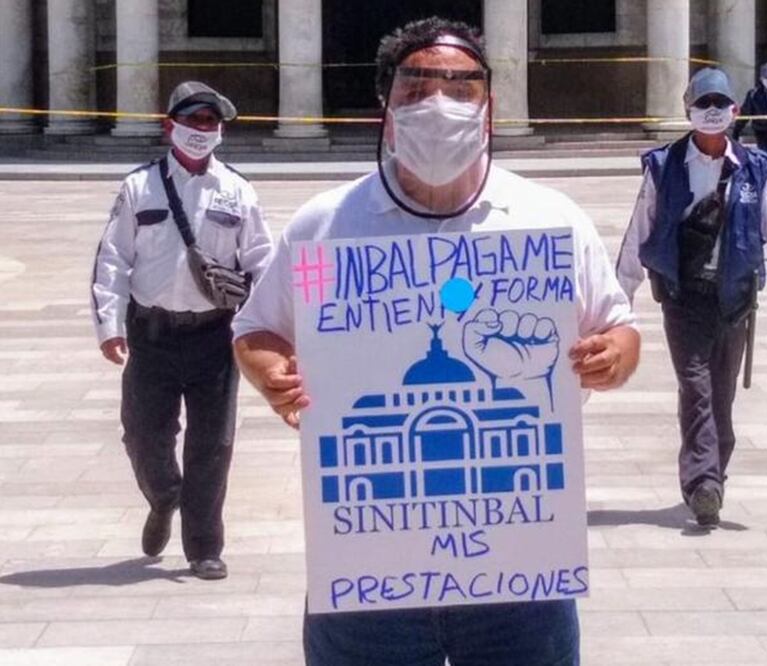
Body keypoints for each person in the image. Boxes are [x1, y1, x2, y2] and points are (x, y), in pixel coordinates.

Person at [233, 17, 640, 666]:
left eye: (460, 87)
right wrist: (270, 371)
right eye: (416, 89)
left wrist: (614, 356)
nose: (439, 103)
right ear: (387, 108)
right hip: (370, 567)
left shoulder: (549, 218)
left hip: (518, 562)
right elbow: (256, 327)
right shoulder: (326, 224)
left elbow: (618, 324)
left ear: (489, 107)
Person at [617, 67, 767, 527]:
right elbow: (639, 232)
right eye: (702, 104)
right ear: (688, 110)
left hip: (734, 299)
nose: (711, 112)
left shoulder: (754, 169)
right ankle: (702, 483)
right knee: (696, 388)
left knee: (721, 396)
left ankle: (712, 478)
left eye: (719, 104)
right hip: (684, 297)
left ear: (735, 110)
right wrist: (619, 297)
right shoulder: (664, 166)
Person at [91, 81, 273, 580]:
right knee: (144, 435)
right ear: (169, 125)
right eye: (192, 120)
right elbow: (113, 258)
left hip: (214, 335)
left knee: (213, 444)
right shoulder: (139, 187)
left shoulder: (237, 190)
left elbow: (261, 262)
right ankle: (164, 495)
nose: (201, 129)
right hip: (151, 332)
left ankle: (204, 547)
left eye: (210, 122)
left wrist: (262, 329)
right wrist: (109, 324)